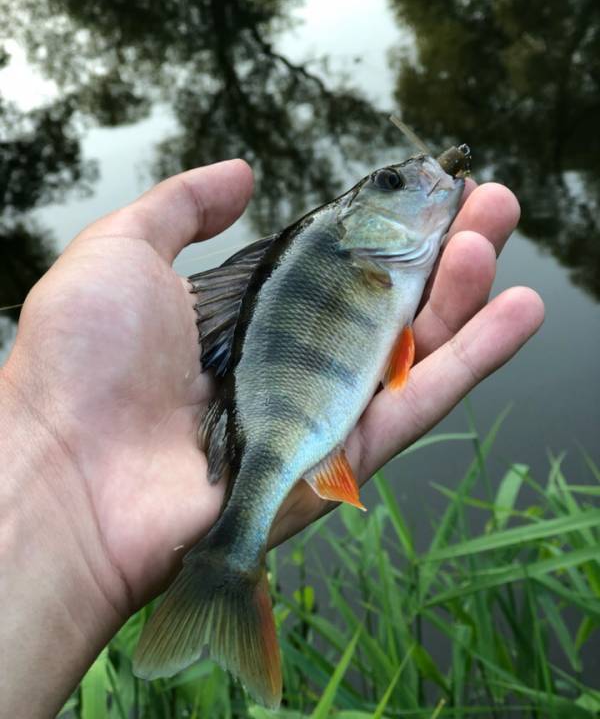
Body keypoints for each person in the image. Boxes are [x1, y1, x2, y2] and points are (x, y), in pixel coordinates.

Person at [0, 159, 544, 717]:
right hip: (276, 418)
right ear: (358, 225)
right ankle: (230, 562)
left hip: (280, 417)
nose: (418, 177)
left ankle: (228, 569)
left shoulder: (354, 253)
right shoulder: (341, 249)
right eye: (390, 182)